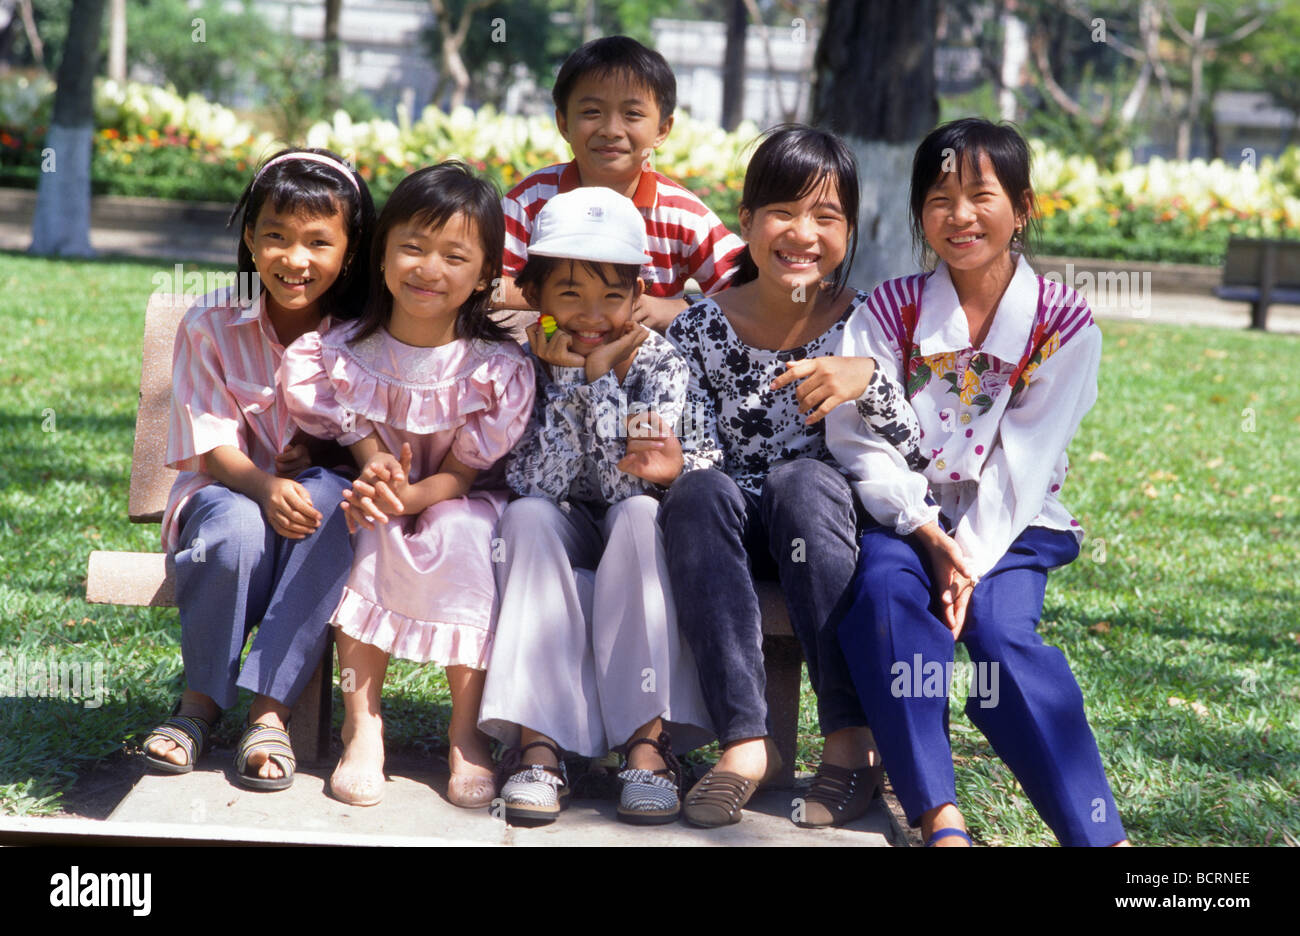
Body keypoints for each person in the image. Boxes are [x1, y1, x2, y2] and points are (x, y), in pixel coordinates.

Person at [825, 117, 1129, 847]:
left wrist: (966, 565)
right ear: (921, 214)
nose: (958, 215)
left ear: (1022, 207)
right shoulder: (888, 310)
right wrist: (927, 533)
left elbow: (1026, 461)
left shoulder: (1063, 322)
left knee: (999, 632)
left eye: (980, 194)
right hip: (905, 517)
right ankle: (939, 816)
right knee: (887, 601)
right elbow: (856, 437)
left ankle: (1102, 838)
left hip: (1014, 526)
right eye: (939, 196)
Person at [658, 126, 922, 828]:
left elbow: (919, 453)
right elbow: (693, 453)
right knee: (697, 488)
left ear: (851, 230)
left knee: (801, 482)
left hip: (826, 529)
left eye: (826, 216)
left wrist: (868, 381)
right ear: (745, 222)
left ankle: (850, 741)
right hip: (727, 532)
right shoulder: (699, 329)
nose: (802, 233)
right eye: (782, 211)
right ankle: (747, 744)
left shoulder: (869, 326)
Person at [279, 162, 535, 809]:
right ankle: (363, 724)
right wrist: (375, 468)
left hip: (458, 495)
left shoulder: (493, 367)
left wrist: (412, 494)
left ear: (483, 275)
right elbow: (354, 433)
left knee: (465, 535)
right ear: (383, 252)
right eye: (413, 247)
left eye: (455, 256)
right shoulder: (336, 352)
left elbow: (465, 472)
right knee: (368, 530)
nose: (429, 269)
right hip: (373, 492)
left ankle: (466, 733)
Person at [479, 187, 713, 826]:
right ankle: (539, 747)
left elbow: (630, 484)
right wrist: (568, 386)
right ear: (536, 297)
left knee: (638, 517)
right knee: (525, 518)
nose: (591, 316)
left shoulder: (661, 365)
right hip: (558, 521)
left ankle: (646, 744)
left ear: (638, 299)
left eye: (612, 296)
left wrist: (598, 381)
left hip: (630, 526)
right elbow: (534, 482)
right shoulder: (521, 361)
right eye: (570, 294)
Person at [142, 148, 375, 791]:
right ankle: (199, 708)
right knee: (237, 529)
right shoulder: (212, 322)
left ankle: (268, 712)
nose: (294, 260)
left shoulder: (362, 333)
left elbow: (370, 431)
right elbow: (212, 446)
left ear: (350, 250)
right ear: (250, 237)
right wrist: (265, 483)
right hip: (228, 493)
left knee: (334, 503)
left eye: (318, 242)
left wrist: (315, 460)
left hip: (314, 504)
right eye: (275, 236)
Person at [496, 35, 744, 331]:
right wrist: (555, 303)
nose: (612, 130)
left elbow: (750, 292)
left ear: (662, 130)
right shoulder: (530, 200)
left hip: (646, 366)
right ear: (564, 123)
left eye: (632, 115)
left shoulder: (682, 215)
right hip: (546, 356)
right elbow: (482, 284)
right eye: (592, 112)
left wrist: (680, 308)